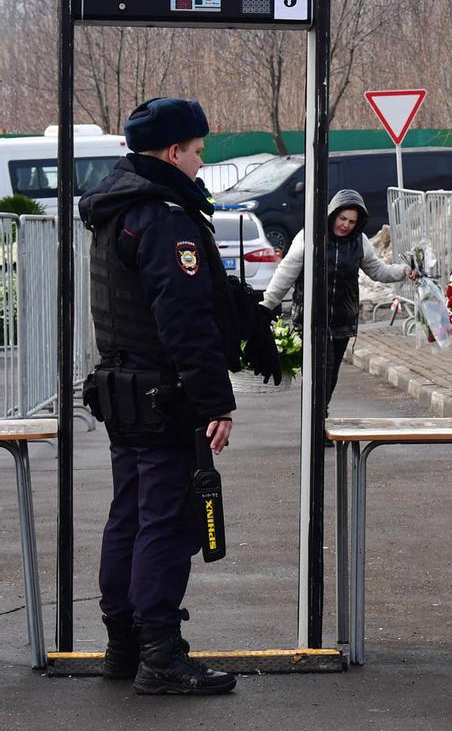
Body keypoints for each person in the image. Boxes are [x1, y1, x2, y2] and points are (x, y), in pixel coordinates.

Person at [80, 98, 248, 695]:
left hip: (123, 391)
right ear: (174, 152)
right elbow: (185, 321)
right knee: (167, 522)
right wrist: (215, 404)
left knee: (128, 513)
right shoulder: (165, 218)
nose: (201, 163)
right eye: (198, 152)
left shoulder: (115, 210)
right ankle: (161, 656)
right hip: (165, 394)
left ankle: (123, 646)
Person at [260, 188, 416, 432]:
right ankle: (316, 426)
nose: (346, 225)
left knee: (330, 378)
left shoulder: (359, 242)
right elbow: (285, 274)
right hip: (312, 321)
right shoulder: (309, 237)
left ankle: (318, 419)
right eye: (342, 218)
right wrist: (266, 305)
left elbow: (377, 271)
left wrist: (403, 271)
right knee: (321, 374)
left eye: (352, 222)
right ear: (332, 214)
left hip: (342, 320)